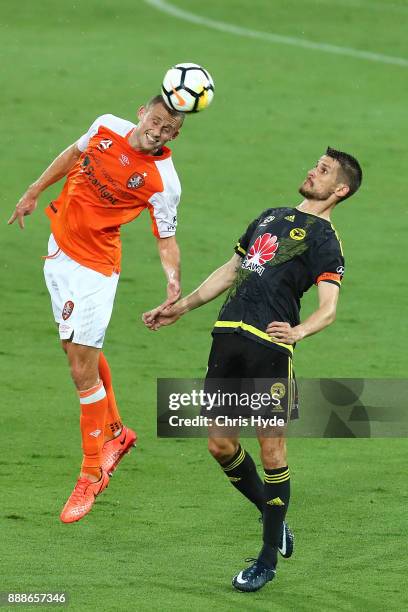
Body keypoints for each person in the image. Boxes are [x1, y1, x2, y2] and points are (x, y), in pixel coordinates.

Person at [143, 147, 363, 592]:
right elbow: (231, 270)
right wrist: (181, 307)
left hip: (268, 348)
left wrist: (298, 333)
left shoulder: (325, 239)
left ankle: (266, 560)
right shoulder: (270, 216)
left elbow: (329, 309)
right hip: (227, 336)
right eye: (314, 165)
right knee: (220, 446)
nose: (311, 171)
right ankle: (272, 515)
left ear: (339, 189)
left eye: (322, 171)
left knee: (272, 454)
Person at [8, 95, 185, 523]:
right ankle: (117, 433)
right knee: (75, 350)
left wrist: (173, 280)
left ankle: (91, 474)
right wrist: (34, 190)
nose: (157, 132)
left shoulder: (164, 180)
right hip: (60, 253)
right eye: (155, 121)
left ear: (176, 135)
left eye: (167, 130)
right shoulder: (106, 125)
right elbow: (74, 153)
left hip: (94, 272)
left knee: (80, 371)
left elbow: (165, 238)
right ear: (142, 112)